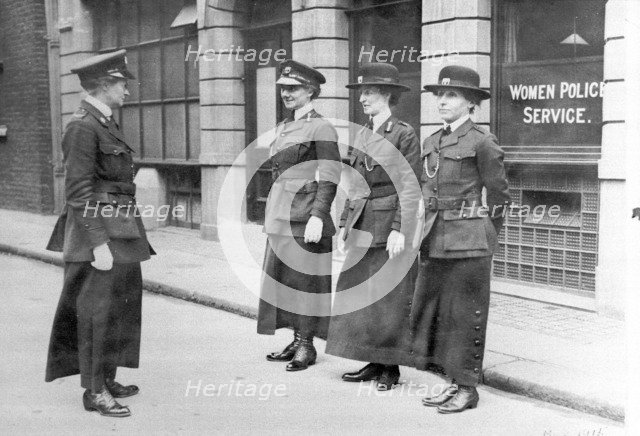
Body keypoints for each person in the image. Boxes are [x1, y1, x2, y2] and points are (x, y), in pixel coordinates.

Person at [45, 49, 154, 417]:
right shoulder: (82, 126)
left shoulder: (103, 121)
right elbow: (77, 191)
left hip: (121, 226)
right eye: (122, 84)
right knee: (95, 313)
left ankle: (106, 377)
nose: (127, 91)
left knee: (119, 308)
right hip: (99, 233)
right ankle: (94, 391)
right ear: (105, 84)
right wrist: (98, 244)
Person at [411, 65, 511, 413]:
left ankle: (467, 388)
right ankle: (451, 381)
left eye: (451, 94)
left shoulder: (482, 141)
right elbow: (426, 191)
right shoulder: (432, 141)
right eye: (439, 94)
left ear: (471, 102)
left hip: (469, 240)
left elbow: (499, 197)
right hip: (436, 238)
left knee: (467, 314)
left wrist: (485, 234)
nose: (441, 100)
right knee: (442, 315)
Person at [325, 63, 422, 390]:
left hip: (389, 223)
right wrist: (343, 223)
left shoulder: (404, 133)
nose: (363, 98)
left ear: (388, 95)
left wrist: (399, 228)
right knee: (365, 295)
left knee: (390, 297)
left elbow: (410, 185)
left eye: (369, 92)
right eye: (361, 92)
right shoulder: (360, 133)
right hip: (363, 222)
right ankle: (372, 360)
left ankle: (390, 368)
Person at [257, 59, 341, 371]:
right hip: (280, 215)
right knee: (286, 280)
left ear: (310, 91)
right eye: (283, 89)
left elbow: (330, 174)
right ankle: (296, 337)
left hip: (306, 215)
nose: (286, 94)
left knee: (306, 281)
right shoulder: (284, 127)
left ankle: (308, 344)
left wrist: (319, 215)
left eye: (293, 89)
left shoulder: (321, 127)